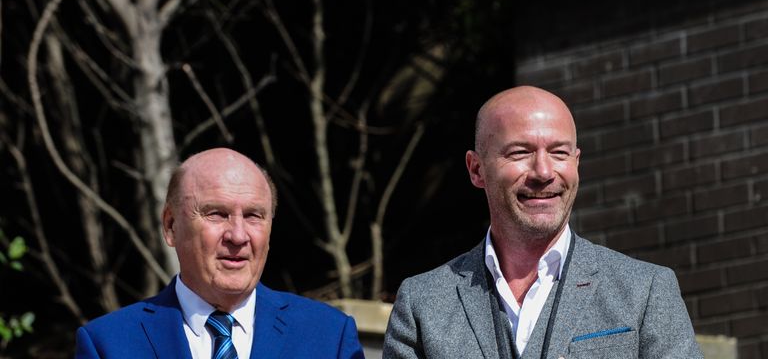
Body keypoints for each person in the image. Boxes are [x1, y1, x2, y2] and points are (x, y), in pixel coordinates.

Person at [383, 86, 702, 359]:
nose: (544, 172)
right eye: (520, 153)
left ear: (577, 163)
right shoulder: (422, 304)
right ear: (477, 170)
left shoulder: (644, 290)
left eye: (559, 153)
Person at [76, 148, 364, 359]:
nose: (238, 235)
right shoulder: (109, 344)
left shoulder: (328, 337)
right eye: (217, 214)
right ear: (171, 226)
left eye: (253, 216)